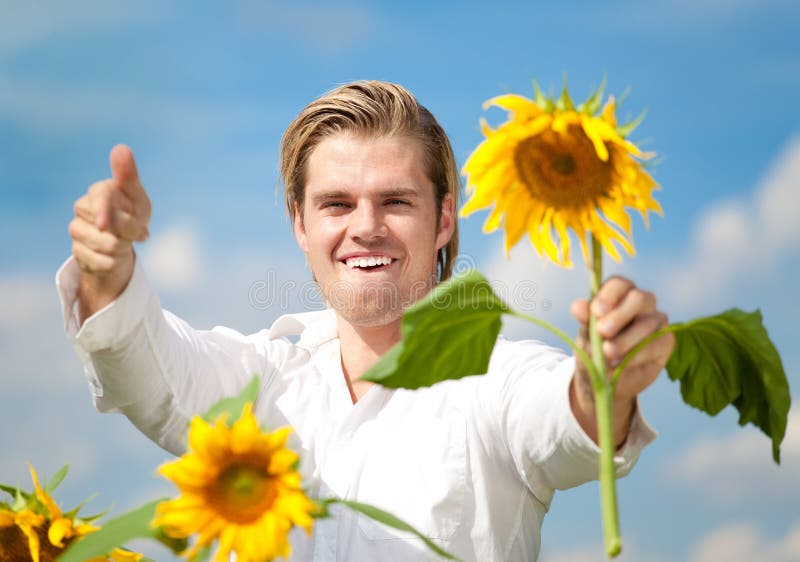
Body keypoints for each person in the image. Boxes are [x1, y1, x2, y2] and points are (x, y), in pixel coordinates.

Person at [58, 81, 674, 561]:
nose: (365, 226)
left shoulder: (497, 378)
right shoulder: (262, 376)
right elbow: (149, 375)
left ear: (445, 219)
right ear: (301, 224)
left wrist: (604, 384)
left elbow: (559, 421)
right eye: (337, 204)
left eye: (396, 201)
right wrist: (105, 272)